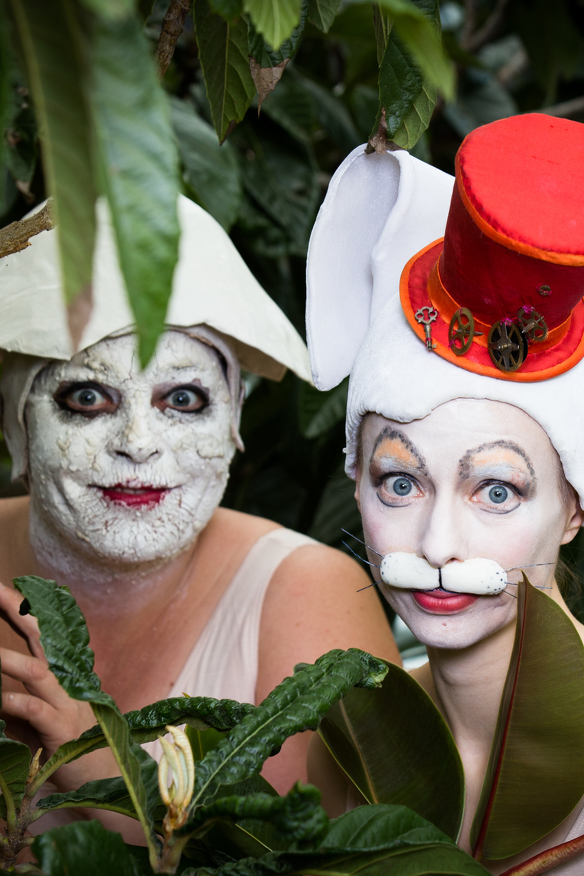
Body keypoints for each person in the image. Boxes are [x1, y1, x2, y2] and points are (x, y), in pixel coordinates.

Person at [0, 195, 398, 839]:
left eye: (181, 399)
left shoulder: (307, 594)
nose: (138, 442)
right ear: (14, 421)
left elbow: (322, 856)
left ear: (234, 421)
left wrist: (96, 766)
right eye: (87, 397)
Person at [305, 114, 584, 874]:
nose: (434, 547)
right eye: (400, 482)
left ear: (573, 510)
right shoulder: (355, 742)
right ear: (353, 479)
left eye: (496, 490)